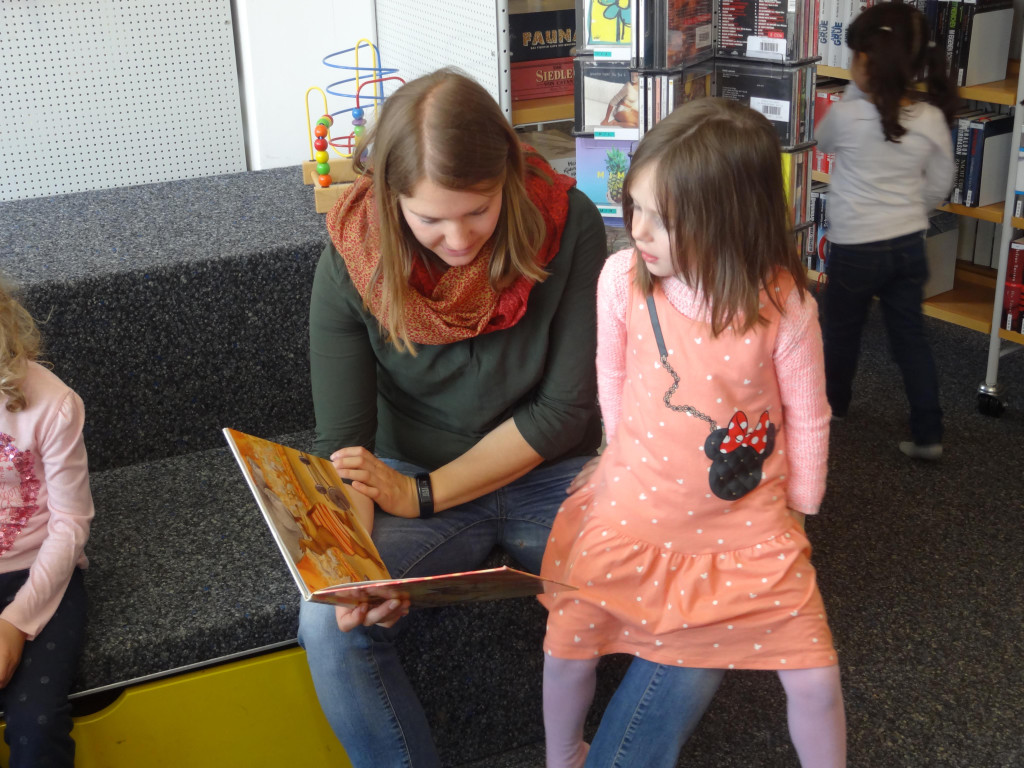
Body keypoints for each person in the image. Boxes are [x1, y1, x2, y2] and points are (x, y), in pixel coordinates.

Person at [296, 68, 724, 768]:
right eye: (429, 219)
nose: (458, 239)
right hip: (409, 478)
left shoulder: (567, 220)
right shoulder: (352, 257)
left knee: (705, 600)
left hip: (547, 475)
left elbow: (562, 412)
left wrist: (422, 494)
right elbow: (342, 447)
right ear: (389, 197)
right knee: (327, 621)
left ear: (506, 178)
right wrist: (353, 569)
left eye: (478, 210)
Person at [540, 98, 845, 768]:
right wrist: (616, 455)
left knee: (815, 677)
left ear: (730, 220)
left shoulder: (785, 306)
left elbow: (809, 415)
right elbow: (612, 373)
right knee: (566, 648)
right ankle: (563, 757)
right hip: (629, 514)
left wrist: (801, 509)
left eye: (664, 218)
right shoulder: (622, 280)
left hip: (749, 531)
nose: (639, 230)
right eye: (635, 206)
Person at [815, 2, 957, 460]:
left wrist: (855, 94)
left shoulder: (847, 116)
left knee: (841, 333)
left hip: (855, 249)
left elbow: (823, 142)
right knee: (910, 339)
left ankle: (835, 408)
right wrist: (912, 211)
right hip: (908, 246)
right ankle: (928, 433)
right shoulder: (931, 119)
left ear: (865, 63)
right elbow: (941, 182)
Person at [0, 279, 93, 767]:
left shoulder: (53, 404)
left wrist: (16, 623)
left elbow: (71, 523)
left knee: (36, 725)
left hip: (39, 574)